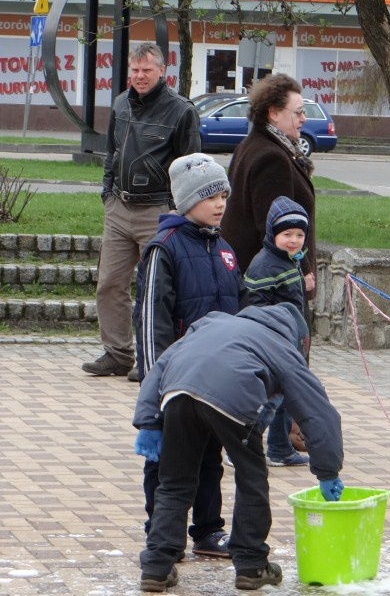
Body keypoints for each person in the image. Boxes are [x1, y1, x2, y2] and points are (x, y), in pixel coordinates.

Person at [132, 304, 344, 593]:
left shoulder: (210, 322)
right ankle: (252, 566)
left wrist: (149, 421)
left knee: (174, 483)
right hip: (232, 398)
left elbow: (159, 367)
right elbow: (318, 412)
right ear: (299, 339)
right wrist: (327, 471)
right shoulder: (281, 346)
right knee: (251, 477)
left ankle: (156, 568)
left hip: (177, 393)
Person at [133, 153, 248, 560]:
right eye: (209, 195)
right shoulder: (164, 249)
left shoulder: (225, 249)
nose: (220, 203)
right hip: (175, 380)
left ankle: (207, 529)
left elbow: (238, 312)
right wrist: (155, 386)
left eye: (223, 195)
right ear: (185, 201)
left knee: (209, 458)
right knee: (165, 462)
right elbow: (151, 323)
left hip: (215, 381)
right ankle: (160, 532)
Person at [82, 42, 200, 381]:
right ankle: (118, 354)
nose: (139, 76)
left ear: (162, 71)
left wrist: (178, 213)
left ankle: (156, 358)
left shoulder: (181, 111)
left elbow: (189, 167)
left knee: (158, 288)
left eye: (146, 70)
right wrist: (108, 194)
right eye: (134, 70)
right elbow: (111, 153)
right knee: (109, 284)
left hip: (158, 211)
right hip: (119, 207)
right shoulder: (120, 103)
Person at [222, 72, 317, 458]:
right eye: (298, 111)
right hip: (272, 282)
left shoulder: (260, 146)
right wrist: (303, 268)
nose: (303, 119)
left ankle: (279, 445)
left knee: (283, 361)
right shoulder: (270, 157)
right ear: (274, 113)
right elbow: (278, 227)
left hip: (263, 278)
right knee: (279, 362)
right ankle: (246, 441)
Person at [243, 196, 311, 467]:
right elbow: (257, 306)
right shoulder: (265, 266)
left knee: (287, 398)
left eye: (299, 234)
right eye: (287, 234)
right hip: (273, 344)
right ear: (273, 234)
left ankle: (280, 448)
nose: (294, 240)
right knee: (270, 400)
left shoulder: (288, 261)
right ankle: (244, 443)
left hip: (290, 342)